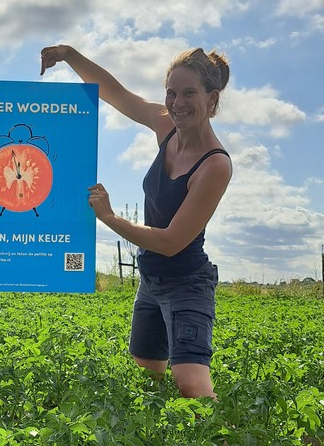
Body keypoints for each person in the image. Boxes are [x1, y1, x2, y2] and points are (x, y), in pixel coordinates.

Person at [40, 45, 232, 398]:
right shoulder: (166, 125)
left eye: (189, 93)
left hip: (186, 282)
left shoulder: (215, 165)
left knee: (190, 386)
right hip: (150, 279)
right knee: (148, 381)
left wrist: (109, 217)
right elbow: (116, 93)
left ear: (212, 99)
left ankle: (228, 427)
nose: (177, 103)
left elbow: (171, 242)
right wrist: (68, 54)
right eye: (171, 93)